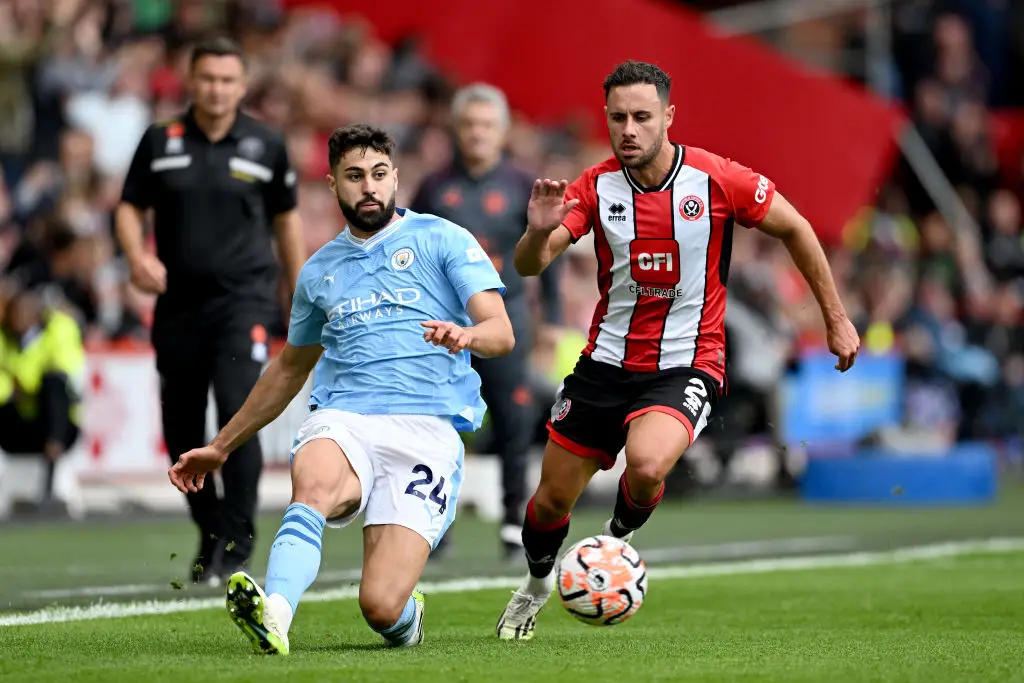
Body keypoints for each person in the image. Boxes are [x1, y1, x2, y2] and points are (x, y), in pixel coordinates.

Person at [495, 60, 861, 640]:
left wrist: (835, 318)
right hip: (604, 366)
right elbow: (529, 265)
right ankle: (537, 585)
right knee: (547, 504)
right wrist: (539, 230)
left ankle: (615, 543)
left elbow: (797, 227)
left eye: (642, 117)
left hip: (687, 363)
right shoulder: (594, 186)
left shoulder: (717, 179)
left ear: (668, 116)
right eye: (618, 118)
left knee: (644, 465)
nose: (629, 130)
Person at [167, 124, 514, 655]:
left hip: (427, 431)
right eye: (354, 176)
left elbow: (502, 333)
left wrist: (466, 333)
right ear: (332, 184)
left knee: (380, 606)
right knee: (313, 486)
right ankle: (275, 616)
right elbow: (288, 370)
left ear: (396, 177)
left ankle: (404, 617)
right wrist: (222, 445)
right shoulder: (318, 272)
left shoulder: (442, 238)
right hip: (345, 417)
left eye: (379, 174)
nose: (369, 186)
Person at [115, 37, 305, 585]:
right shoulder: (160, 140)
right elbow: (129, 206)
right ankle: (210, 528)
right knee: (179, 422)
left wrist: (298, 288)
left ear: (242, 86)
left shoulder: (266, 145)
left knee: (236, 412)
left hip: (242, 300)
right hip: (177, 303)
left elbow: (286, 220)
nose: (217, 89)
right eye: (207, 79)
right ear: (190, 81)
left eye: (227, 80)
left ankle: (240, 537)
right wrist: (135, 256)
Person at [411, 83, 563, 558]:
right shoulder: (434, 187)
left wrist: (551, 319)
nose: (477, 134)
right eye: (469, 125)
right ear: (457, 130)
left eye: (487, 125)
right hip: (446, 322)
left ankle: (513, 520)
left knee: (514, 419)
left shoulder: (522, 186)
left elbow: (547, 253)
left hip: (505, 317)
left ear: (502, 132)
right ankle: (434, 523)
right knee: (440, 421)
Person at [0, 283, 85, 509]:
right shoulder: (4, 338)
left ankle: (52, 459)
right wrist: (12, 390)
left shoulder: (58, 330)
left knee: (53, 385)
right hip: (18, 419)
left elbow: (64, 370)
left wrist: (24, 386)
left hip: (54, 422)